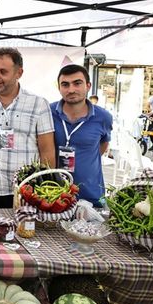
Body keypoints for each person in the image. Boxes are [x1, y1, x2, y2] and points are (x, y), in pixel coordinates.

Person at [0, 47, 55, 209]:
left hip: (24, 186)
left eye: (2, 72)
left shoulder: (38, 104)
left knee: (24, 232)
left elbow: (47, 151)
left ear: (19, 73)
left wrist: (45, 188)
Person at [51, 64, 113, 206]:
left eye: (77, 83)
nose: (71, 89)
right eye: (65, 84)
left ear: (88, 85)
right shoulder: (48, 112)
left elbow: (103, 144)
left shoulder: (103, 117)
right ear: (59, 88)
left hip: (91, 194)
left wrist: (86, 160)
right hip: (55, 195)